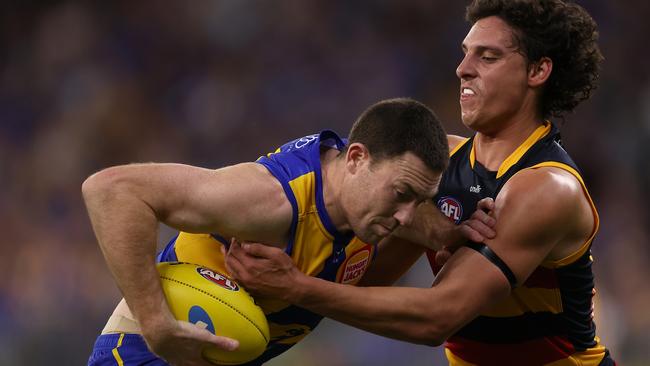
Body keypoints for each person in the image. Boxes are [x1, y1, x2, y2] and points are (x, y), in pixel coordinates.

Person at [225, 1, 615, 365]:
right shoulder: (439, 163)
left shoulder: (547, 188)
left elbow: (438, 318)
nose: (463, 68)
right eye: (465, 52)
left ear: (537, 71)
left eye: (489, 56)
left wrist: (294, 286)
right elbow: (364, 280)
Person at [83, 98, 494, 366]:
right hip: (141, 358)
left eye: (418, 200)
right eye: (401, 194)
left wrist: (442, 232)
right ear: (355, 158)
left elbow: (359, 287)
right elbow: (112, 191)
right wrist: (155, 324)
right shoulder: (269, 201)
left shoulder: (366, 207)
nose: (405, 217)